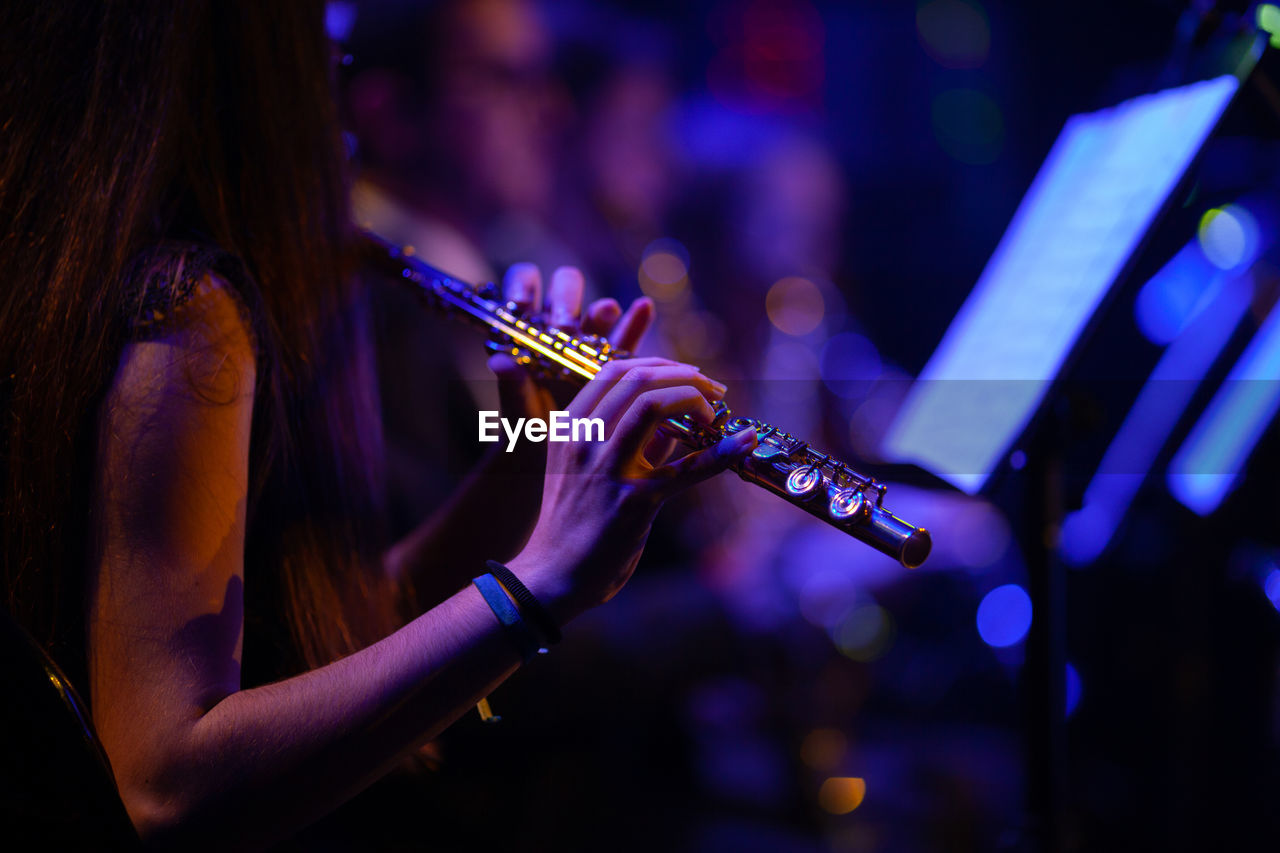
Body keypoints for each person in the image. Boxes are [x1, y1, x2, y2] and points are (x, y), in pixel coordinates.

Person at [0, 2, 755, 848]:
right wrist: (543, 579)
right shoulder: (187, 310)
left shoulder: (110, 271)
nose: (337, 88)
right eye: (321, 54)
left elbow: (339, 627)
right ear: (255, 80)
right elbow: (163, 785)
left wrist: (530, 451)